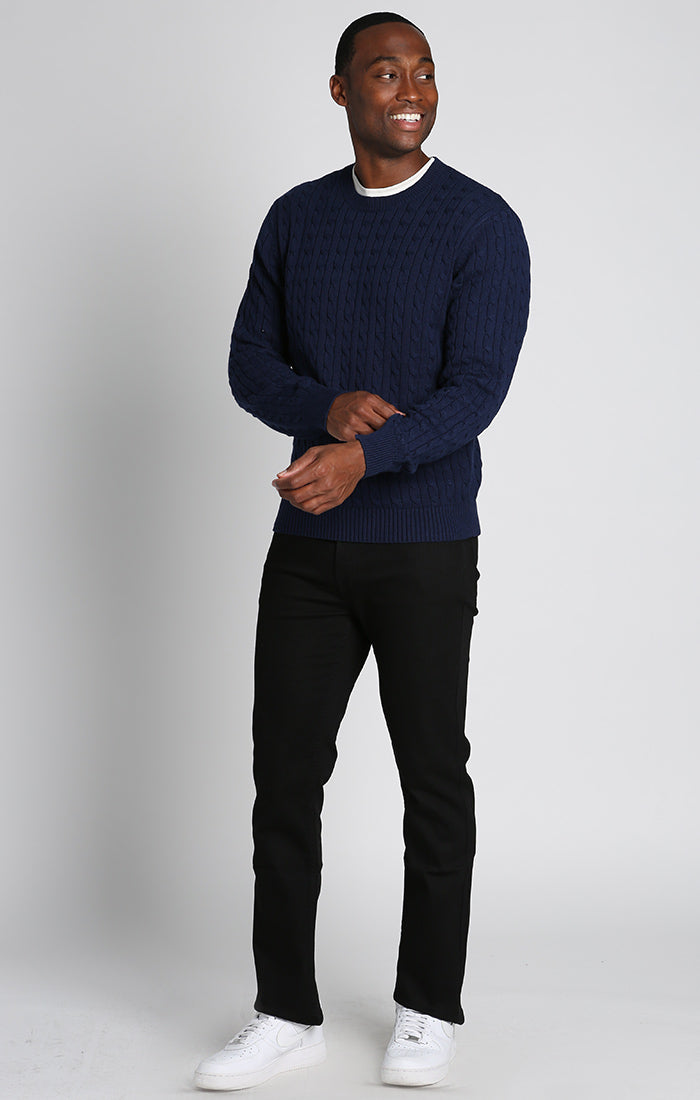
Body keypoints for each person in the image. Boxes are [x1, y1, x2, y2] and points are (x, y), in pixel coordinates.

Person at [194, 10, 530, 1092]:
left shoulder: (481, 224)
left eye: (423, 70)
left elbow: (474, 391)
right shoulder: (297, 219)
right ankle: (283, 1009)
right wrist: (325, 408)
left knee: (431, 775)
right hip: (307, 546)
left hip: (426, 544)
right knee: (284, 779)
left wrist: (363, 457)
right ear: (341, 90)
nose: (411, 88)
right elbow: (249, 363)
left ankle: (428, 1006)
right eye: (385, 72)